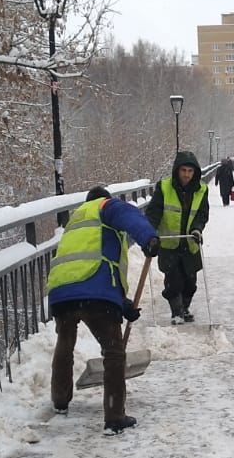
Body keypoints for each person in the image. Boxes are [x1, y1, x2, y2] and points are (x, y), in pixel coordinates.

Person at [47, 186, 160, 435]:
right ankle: (115, 416)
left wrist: (124, 305)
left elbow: (94, 263)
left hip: (61, 293)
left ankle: (60, 401)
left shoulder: (75, 220)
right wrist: (149, 238)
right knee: (113, 352)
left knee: (65, 342)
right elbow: (129, 216)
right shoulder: (105, 207)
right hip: (94, 294)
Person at [145, 151, 210, 324]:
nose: (187, 175)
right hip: (169, 243)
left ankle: (185, 307)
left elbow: (202, 214)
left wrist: (197, 229)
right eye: (184, 171)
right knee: (174, 282)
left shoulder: (201, 189)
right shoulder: (164, 187)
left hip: (190, 242)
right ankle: (177, 312)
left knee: (190, 282)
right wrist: (149, 233)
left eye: (190, 171)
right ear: (177, 170)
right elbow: (154, 212)